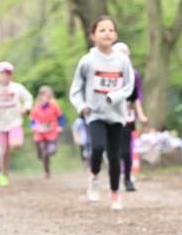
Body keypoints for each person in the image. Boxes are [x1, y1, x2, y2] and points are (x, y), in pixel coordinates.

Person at [69, 15, 134, 211]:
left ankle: (115, 194)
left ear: (115, 35)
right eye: (102, 30)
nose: (107, 33)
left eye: (111, 30)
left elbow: (129, 86)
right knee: (97, 148)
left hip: (116, 114)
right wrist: (81, 106)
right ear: (93, 36)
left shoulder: (122, 60)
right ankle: (94, 176)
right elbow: (76, 88)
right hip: (94, 113)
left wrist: (115, 96)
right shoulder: (87, 61)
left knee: (115, 156)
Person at [0, 61, 32, 187]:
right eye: (3, 73)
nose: (5, 76)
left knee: (16, 144)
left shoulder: (17, 88)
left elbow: (28, 98)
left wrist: (26, 108)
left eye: (8, 73)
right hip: (1, 126)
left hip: (14, 122)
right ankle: (4, 175)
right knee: (3, 152)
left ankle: (13, 145)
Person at [113, 41, 147, 191]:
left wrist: (140, 114)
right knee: (114, 149)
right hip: (110, 116)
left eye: (124, 53)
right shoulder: (107, 73)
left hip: (127, 116)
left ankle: (127, 179)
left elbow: (136, 96)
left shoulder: (133, 74)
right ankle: (114, 177)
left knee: (126, 151)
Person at [29, 86, 64, 178]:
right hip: (39, 134)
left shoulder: (54, 106)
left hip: (51, 133)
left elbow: (60, 117)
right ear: (40, 96)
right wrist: (33, 126)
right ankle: (46, 171)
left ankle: (47, 170)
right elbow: (32, 120)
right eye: (45, 96)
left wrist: (60, 126)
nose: (47, 98)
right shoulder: (36, 107)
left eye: (49, 97)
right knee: (41, 154)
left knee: (49, 151)